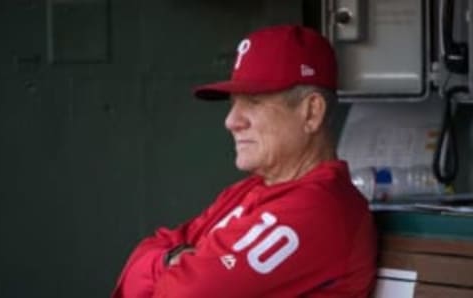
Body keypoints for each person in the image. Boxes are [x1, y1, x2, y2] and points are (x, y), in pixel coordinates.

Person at [112, 24, 377, 298]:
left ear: (311, 112)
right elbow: (139, 263)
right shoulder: (244, 192)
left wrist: (175, 264)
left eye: (254, 101)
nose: (231, 122)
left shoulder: (320, 208)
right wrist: (169, 261)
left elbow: (184, 294)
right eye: (232, 104)